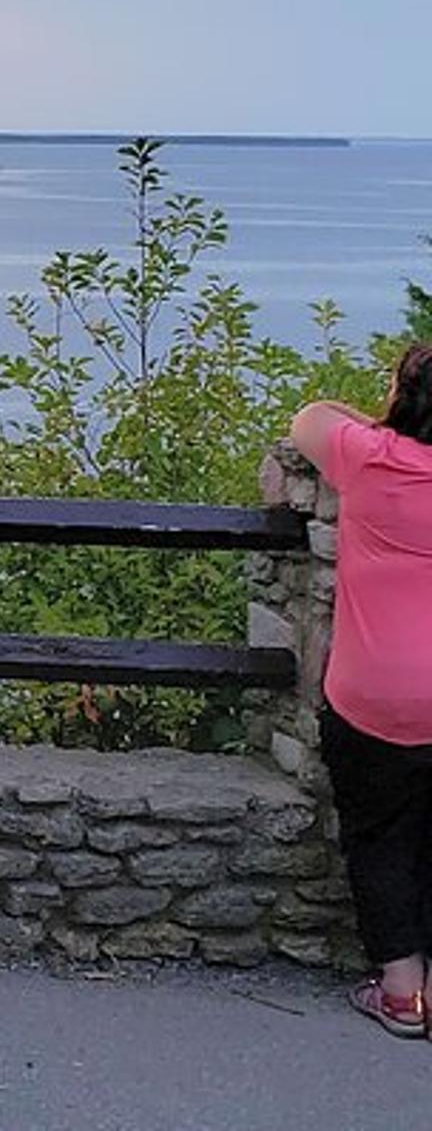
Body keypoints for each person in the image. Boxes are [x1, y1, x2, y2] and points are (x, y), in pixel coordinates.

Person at [291, 342, 432, 1039]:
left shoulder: (369, 457)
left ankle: (404, 994)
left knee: (378, 835)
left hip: (373, 695)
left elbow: (306, 418)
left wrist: (372, 420)